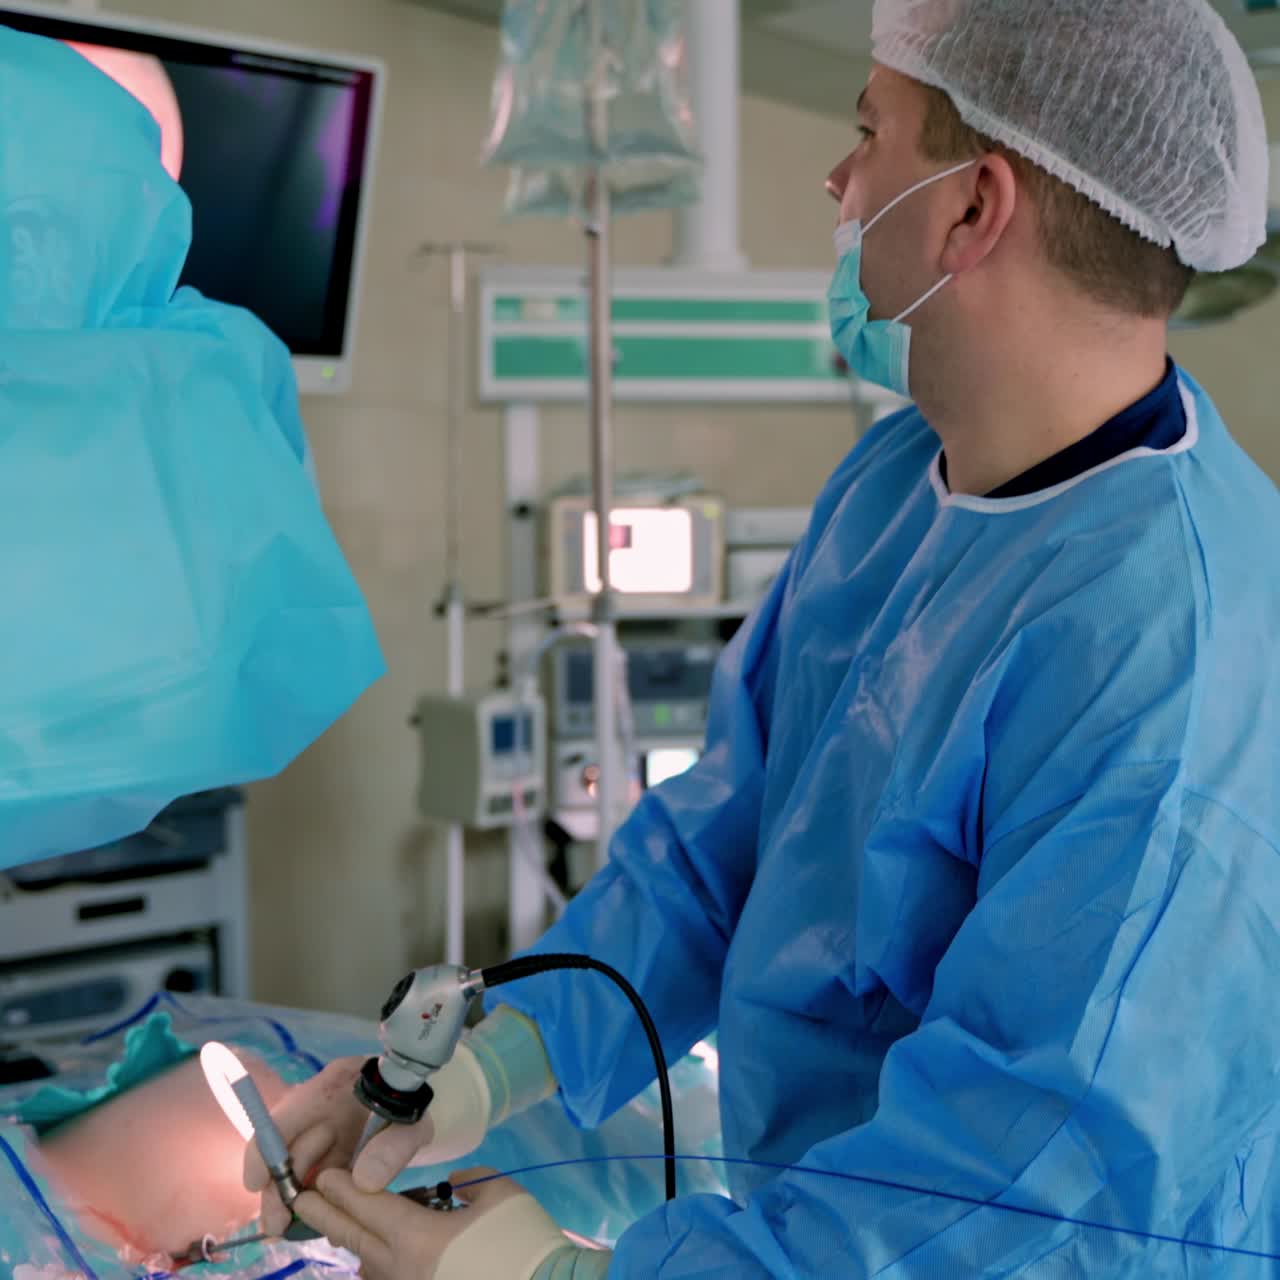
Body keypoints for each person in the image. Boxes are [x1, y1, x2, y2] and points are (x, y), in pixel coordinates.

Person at [251, 0, 1280, 1275]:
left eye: (867, 134)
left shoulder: (1169, 657)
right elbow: (720, 849)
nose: (838, 178)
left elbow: (1023, 1201)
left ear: (973, 208)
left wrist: (552, 1273)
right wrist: (477, 1064)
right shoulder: (898, 484)